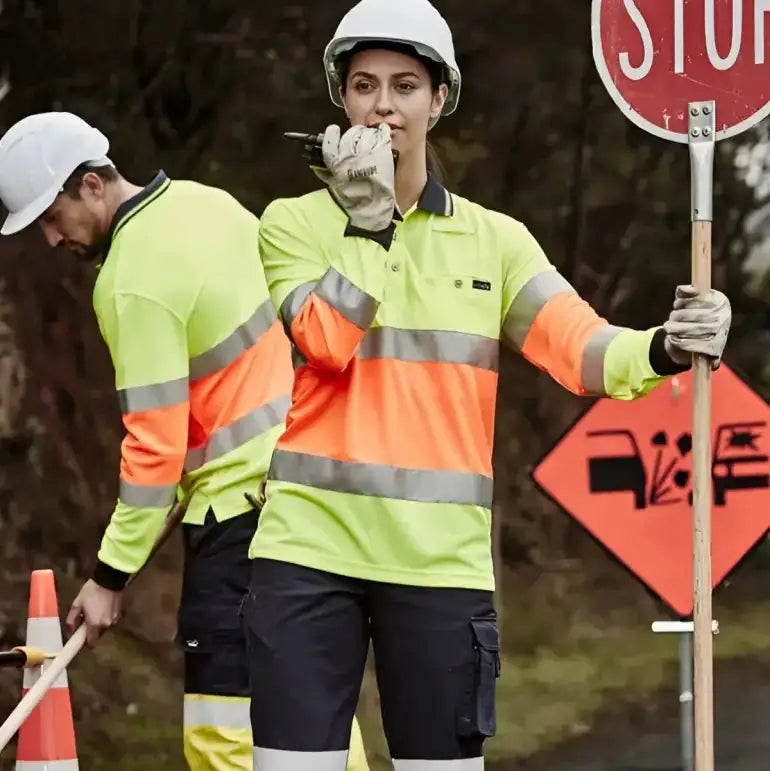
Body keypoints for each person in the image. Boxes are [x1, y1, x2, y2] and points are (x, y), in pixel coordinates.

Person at [241, 0, 733, 769]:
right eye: (365, 84)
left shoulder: (494, 240)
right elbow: (325, 344)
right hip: (306, 559)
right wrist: (369, 224)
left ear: (440, 100)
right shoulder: (290, 224)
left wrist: (667, 346)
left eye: (405, 85)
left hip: (441, 569)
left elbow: (585, 352)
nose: (383, 105)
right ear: (341, 99)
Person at [0, 112, 371, 771]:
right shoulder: (211, 204)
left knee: (224, 737)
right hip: (314, 502)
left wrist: (108, 577)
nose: (53, 239)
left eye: (52, 219)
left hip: (242, 525)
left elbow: (153, 450)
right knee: (316, 722)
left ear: (91, 184)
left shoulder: (131, 283)